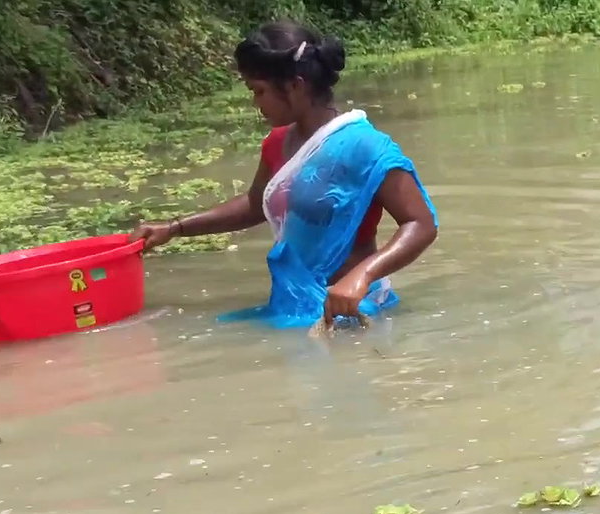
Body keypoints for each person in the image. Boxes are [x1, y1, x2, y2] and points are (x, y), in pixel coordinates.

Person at [129, 21, 438, 328]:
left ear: (295, 85)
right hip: (293, 302)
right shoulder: (278, 142)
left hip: (355, 307)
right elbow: (255, 205)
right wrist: (175, 228)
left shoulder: (365, 145)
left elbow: (420, 223)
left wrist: (362, 276)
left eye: (259, 91)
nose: (255, 102)